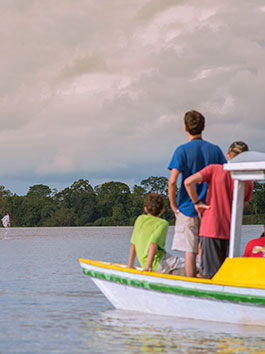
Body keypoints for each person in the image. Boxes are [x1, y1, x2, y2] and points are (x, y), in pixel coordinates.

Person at [168, 110, 226, 277]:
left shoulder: (182, 151)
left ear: (185, 127)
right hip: (210, 208)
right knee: (207, 248)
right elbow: (225, 174)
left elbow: (172, 181)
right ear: (204, 127)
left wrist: (173, 206)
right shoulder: (215, 150)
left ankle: (191, 283)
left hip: (188, 207)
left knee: (189, 250)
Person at [184, 141, 253, 277]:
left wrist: (197, 202)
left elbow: (188, 182)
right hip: (231, 233)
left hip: (211, 229)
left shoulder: (214, 169)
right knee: (226, 276)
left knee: (209, 275)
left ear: (228, 155)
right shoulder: (247, 180)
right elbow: (241, 206)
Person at [128, 193, 184, 275]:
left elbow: (134, 243)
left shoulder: (140, 219)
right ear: (162, 210)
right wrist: (149, 267)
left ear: (145, 209)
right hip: (159, 263)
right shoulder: (162, 223)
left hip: (150, 264)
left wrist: (130, 265)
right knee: (194, 265)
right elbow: (153, 244)